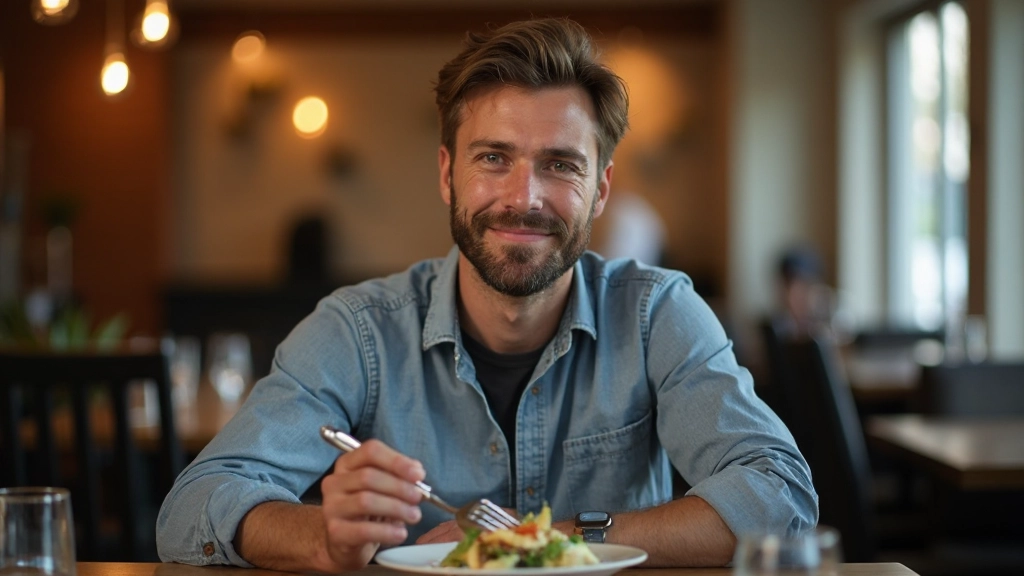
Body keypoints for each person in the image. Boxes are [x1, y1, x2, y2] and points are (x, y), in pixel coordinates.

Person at [156, 18, 816, 572]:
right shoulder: (357, 330)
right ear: (448, 175)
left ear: (601, 190)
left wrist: (547, 540)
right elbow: (193, 509)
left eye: (560, 164)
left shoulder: (656, 315)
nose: (522, 198)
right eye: (493, 158)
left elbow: (779, 499)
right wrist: (324, 540)